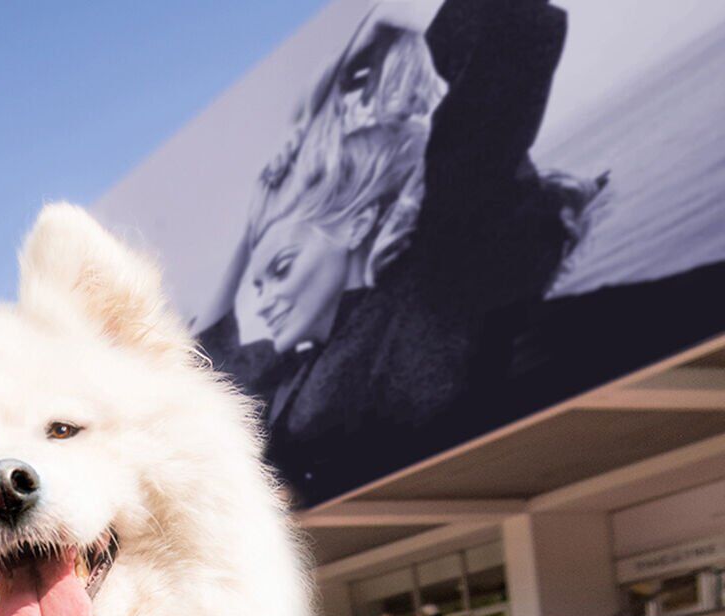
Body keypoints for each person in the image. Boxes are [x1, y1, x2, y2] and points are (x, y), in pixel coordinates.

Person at [197, 0, 607, 503]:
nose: (263, 301)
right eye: (258, 283)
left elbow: (506, 37)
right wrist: (250, 231)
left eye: (281, 269)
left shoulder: (424, 283)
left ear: (358, 225)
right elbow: (202, 363)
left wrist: (344, 96)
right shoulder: (292, 364)